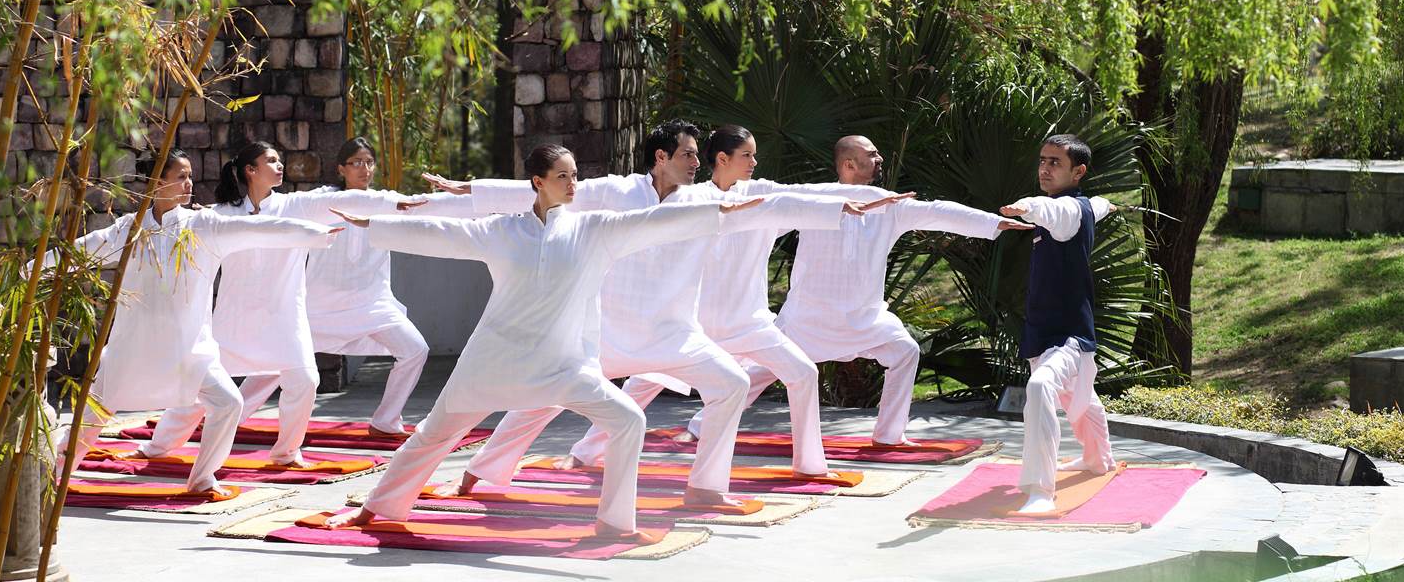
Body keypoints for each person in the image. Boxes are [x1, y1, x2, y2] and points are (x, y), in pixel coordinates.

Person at [424, 121, 896, 507]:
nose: (697, 162)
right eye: (689, 154)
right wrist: (468, 190)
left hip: (673, 334)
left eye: (698, 155)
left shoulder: (704, 199)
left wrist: (845, 203)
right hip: (609, 331)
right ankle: (478, 474)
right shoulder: (616, 191)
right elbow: (540, 193)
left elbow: (784, 201)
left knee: (731, 384)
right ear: (661, 158)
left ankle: (706, 488)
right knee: (544, 397)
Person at [323, 144, 766, 537]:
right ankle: (375, 510)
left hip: (563, 367)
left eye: (575, 175)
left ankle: (615, 524)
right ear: (537, 182)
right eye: (562, 176)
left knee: (628, 420)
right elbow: (439, 233)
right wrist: (371, 224)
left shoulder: (594, 230)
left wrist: (714, 212)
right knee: (432, 436)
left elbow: (651, 220)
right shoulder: (501, 231)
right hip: (492, 363)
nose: (573, 184)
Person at [695, 134, 1105, 448]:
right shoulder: (810, 198)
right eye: (872, 155)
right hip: (807, 319)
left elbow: (937, 211)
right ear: (850, 163)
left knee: (905, 352)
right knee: (759, 373)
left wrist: (993, 224)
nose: (880, 159)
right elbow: (761, 203)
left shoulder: (893, 206)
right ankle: (701, 425)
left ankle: (889, 435)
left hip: (866, 318)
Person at [590, 125, 917, 477]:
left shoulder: (760, 194)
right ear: (723, 159)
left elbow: (801, 194)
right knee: (647, 378)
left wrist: (847, 201)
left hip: (748, 323)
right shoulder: (692, 198)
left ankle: (808, 465)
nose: (754, 161)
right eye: (747, 155)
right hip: (694, 324)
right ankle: (586, 449)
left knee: (802, 373)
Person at [46, 150, 338, 495]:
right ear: (157, 182)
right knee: (87, 424)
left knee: (229, 404)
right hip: (132, 348)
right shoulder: (129, 229)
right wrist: (32, 272)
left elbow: (258, 228)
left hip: (189, 351)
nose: (190, 183)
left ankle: (202, 480)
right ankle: (52, 477)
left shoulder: (203, 225)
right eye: (181, 176)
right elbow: (81, 251)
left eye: (190, 175)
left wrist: (315, 233)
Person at [137, 141, 428, 468]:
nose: (280, 166)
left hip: (284, 321)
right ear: (251, 170)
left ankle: (287, 453)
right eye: (271, 161)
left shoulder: (295, 206)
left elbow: (344, 199)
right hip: (235, 321)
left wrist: (392, 201)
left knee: (305, 382)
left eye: (279, 160)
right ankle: (158, 446)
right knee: (199, 387)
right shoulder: (223, 213)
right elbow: (177, 229)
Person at [239, 138, 475, 437]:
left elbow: (421, 206)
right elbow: (269, 211)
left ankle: (386, 421)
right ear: (341, 168)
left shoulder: (384, 202)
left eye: (369, 162)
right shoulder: (323, 200)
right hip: (320, 304)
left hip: (372, 303)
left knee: (415, 349)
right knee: (279, 358)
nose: (365, 169)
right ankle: (235, 413)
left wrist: (478, 200)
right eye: (356, 163)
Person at [1001, 134, 1116, 515]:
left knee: (1040, 387)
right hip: (1044, 328)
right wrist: (1105, 204)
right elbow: (1094, 206)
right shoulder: (1082, 206)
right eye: (1042, 161)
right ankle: (1098, 459)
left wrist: (1024, 206)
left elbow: (1051, 213)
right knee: (1078, 396)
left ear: (1078, 172)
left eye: (1055, 163)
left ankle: (1039, 489)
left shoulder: (1063, 211)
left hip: (1067, 333)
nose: (1045, 168)